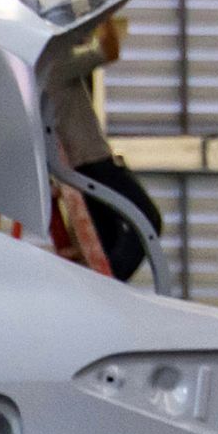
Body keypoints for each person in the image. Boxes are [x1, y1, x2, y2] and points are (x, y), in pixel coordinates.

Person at [43, 19, 162, 282]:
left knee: (107, 238)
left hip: (76, 167)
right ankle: (112, 284)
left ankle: (105, 282)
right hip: (93, 161)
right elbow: (110, 50)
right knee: (147, 219)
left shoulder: (38, 68)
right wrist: (105, 17)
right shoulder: (57, 62)